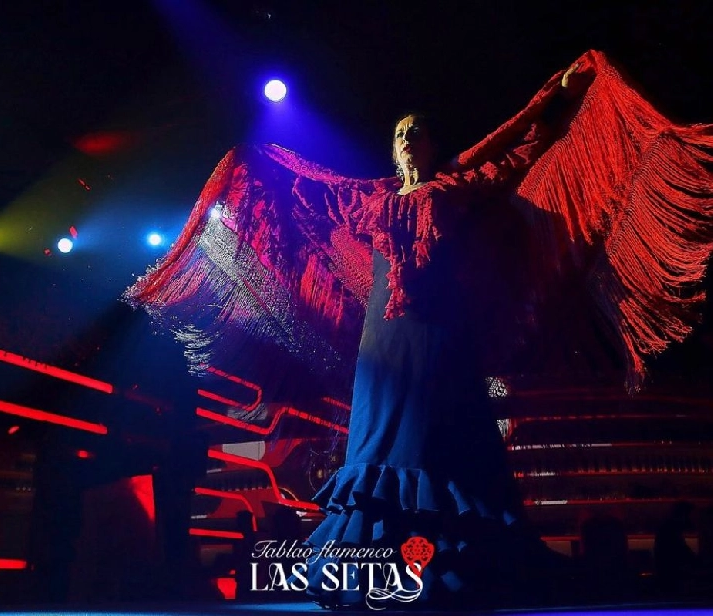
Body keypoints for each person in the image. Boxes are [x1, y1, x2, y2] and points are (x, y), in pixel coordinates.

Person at [124, 50, 713, 609]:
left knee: (441, 434)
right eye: (400, 133)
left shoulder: (456, 184)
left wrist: (550, 100)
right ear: (393, 147)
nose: (408, 140)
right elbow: (313, 192)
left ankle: (454, 559)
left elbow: (512, 146)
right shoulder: (371, 198)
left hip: (439, 335)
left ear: (432, 145)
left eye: (418, 133)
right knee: (378, 434)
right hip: (382, 341)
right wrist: (263, 162)